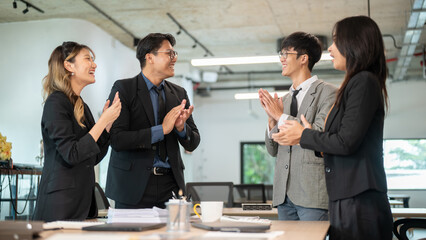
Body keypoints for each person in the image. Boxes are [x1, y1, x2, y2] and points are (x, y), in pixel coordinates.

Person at [274, 16, 393, 239]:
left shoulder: (364, 81)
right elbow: (341, 140)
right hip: (346, 196)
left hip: (359, 199)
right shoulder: (355, 83)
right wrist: (314, 137)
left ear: (354, 43)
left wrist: (304, 135)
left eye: (336, 41)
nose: (330, 48)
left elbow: (346, 142)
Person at [105, 33, 200, 209]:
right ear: (150, 57)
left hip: (170, 185)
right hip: (132, 186)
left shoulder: (179, 94)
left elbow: (193, 142)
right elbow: (117, 139)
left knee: (173, 236)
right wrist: (161, 130)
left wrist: (181, 128)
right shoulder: (124, 89)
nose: (174, 59)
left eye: (174, 54)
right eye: (169, 54)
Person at [33, 41, 121, 221]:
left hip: (83, 204)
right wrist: (102, 120)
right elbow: (71, 154)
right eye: (88, 59)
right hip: (61, 205)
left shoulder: (81, 105)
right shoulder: (56, 103)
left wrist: (106, 127)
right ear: (68, 65)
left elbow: (92, 157)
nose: (94, 64)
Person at [258, 32, 337, 221]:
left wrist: (280, 116)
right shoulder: (283, 100)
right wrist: (271, 123)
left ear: (304, 58)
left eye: (287, 54)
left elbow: (319, 135)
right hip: (283, 194)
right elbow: (273, 150)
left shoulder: (328, 93)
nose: (282, 59)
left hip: (312, 193)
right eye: (281, 54)